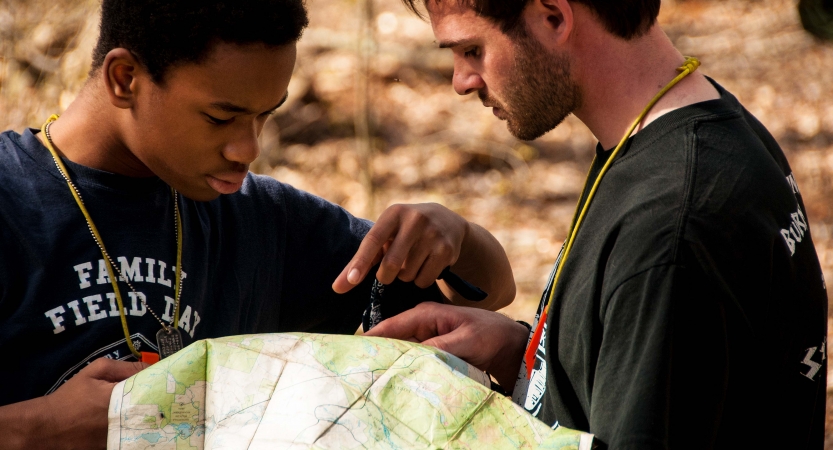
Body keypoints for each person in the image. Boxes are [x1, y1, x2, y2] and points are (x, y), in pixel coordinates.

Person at [0, 0, 516, 448]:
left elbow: (488, 295)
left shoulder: (261, 220)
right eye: (220, 118)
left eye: (265, 115)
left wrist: (458, 236)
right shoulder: (12, 200)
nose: (248, 149)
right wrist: (31, 431)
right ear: (125, 78)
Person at [365, 0, 828, 448]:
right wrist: (525, 356)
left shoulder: (670, 227)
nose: (462, 82)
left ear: (553, 16)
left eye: (472, 50)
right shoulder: (681, 132)